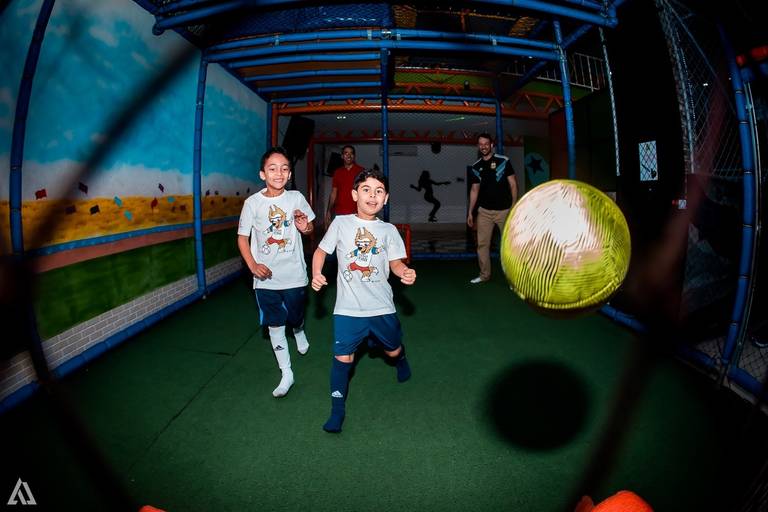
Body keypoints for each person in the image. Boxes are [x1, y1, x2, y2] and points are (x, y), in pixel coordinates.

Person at [311, 168, 417, 433]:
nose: (373, 195)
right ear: (354, 194)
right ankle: (337, 410)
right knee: (342, 358)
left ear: (386, 198)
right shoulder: (341, 224)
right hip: (347, 309)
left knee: (391, 350)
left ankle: (401, 358)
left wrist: (404, 271)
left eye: (379, 191)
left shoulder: (389, 230)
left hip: (381, 306)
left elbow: (395, 262)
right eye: (367, 190)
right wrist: (316, 274)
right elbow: (320, 252)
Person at [237, 146, 315, 398]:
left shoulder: (296, 198)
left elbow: (310, 227)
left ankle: (300, 329)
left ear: (289, 174)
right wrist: (252, 266)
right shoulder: (252, 203)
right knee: (275, 324)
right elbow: (242, 238)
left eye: (284, 168)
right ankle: (286, 372)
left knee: (294, 315)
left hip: (294, 275)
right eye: (272, 168)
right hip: (265, 278)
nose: (278, 173)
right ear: (262, 174)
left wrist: (305, 227)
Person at [467, 133, 518, 284]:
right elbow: (474, 190)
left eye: (486, 143)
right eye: (480, 144)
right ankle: (484, 275)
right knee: (482, 245)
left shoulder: (503, 161)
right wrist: (470, 212)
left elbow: (513, 184)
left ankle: (514, 278)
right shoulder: (476, 167)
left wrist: (514, 206)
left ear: (491, 145)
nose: (483, 146)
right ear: (478, 146)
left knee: (509, 246)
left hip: (504, 211)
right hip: (484, 212)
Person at [324, 145, 365, 226]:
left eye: (351, 153)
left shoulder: (361, 171)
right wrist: (328, 211)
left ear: (354, 156)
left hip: (357, 213)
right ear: (342, 156)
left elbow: (365, 192)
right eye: (346, 153)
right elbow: (333, 193)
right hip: (339, 213)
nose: (349, 155)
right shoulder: (337, 172)